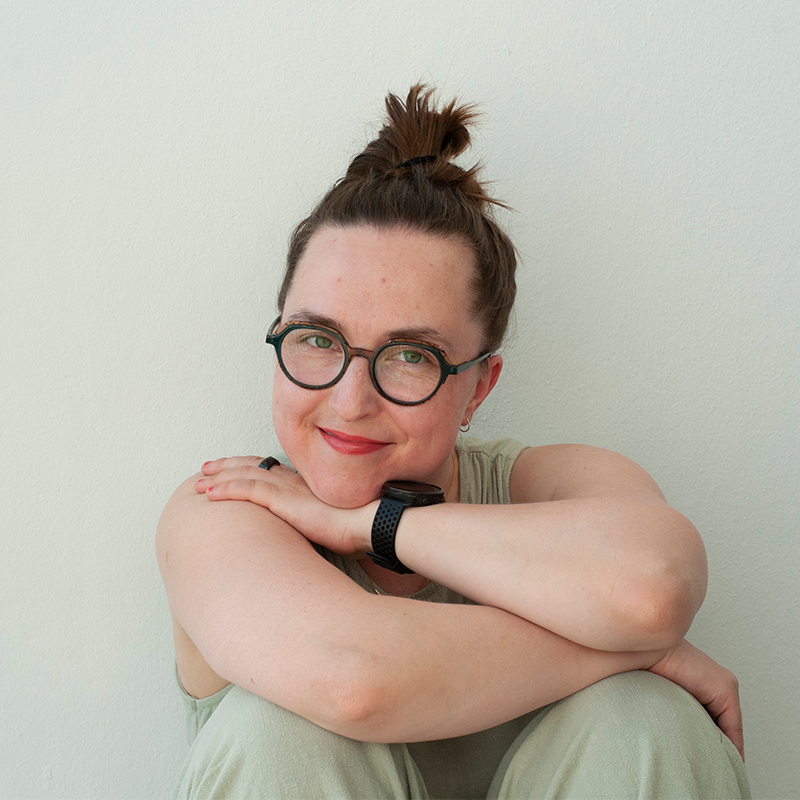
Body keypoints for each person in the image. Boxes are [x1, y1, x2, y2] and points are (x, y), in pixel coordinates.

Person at [157, 85, 750, 799]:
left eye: (411, 355)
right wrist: (626, 648)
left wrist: (371, 525)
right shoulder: (223, 505)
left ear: (479, 387)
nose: (350, 401)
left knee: (647, 720)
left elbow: (653, 589)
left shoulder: (555, 485)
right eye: (316, 339)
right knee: (280, 731)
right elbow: (353, 681)